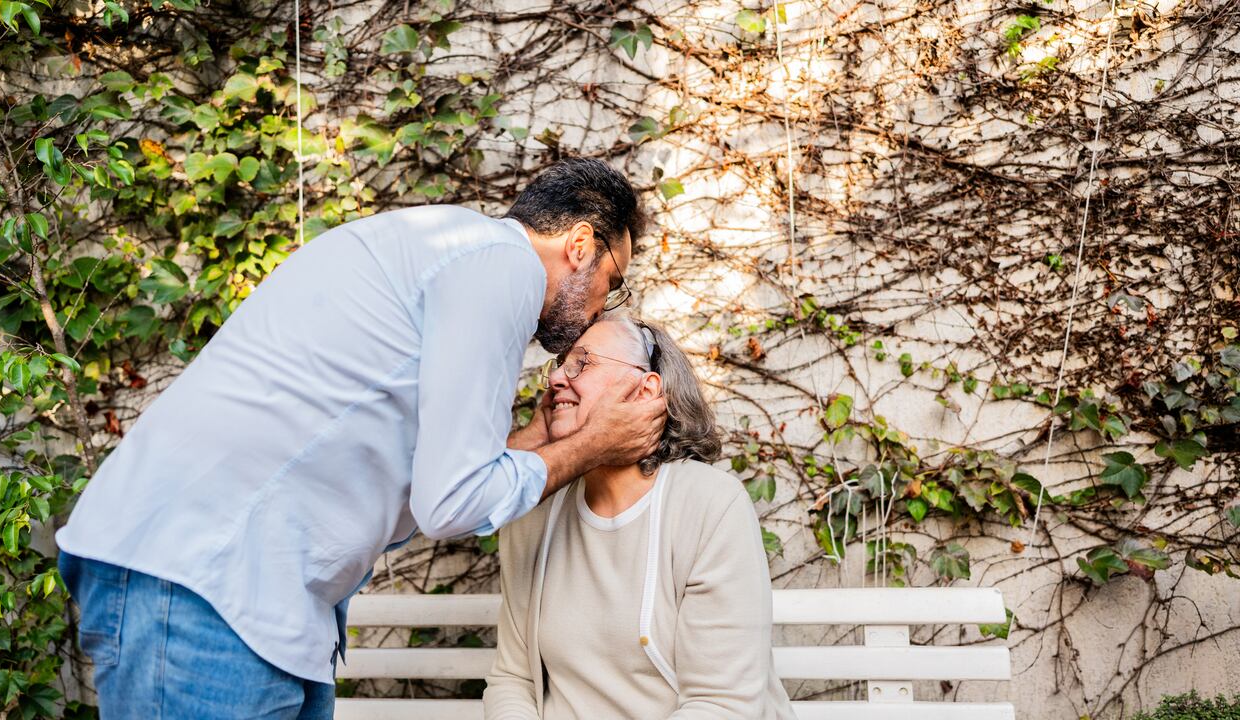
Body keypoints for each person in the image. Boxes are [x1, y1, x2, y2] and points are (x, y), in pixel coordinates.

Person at [54, 158, 666, 718]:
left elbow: (440, 471)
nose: (600, 308)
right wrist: (592, 446)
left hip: (254, 598)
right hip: (204, 579)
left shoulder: (451, 249)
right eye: (612, 283)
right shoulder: (499, 265)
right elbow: (452, 501)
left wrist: (536, 440)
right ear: (581, 244)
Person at [484, 314, 796, 719]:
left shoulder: (710, 506)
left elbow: (721, 705)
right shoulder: (533, 511)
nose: (557, 378)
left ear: (645, 389)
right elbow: (513, 680)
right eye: (558, 364)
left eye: (582, 362)